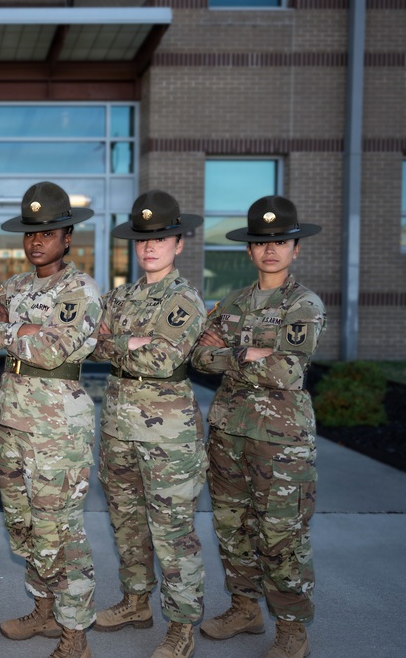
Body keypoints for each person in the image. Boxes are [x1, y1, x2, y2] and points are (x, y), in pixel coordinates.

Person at [191, 196, 324, 658]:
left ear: (296, 248)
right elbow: (199, 355)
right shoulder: (233, 301)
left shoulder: (303, 303)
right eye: (261, 242)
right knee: (232, 527)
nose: (271, 249)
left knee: (282, 534)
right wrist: (250, 355)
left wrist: (231, 355)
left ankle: (292, 627)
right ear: (249, 250)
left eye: (281, 241)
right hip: (229, 432)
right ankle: (245, 608)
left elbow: (288, 369)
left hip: (281, 442)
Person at [0, 182, 102, 658]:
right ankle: (45, 611)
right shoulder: (16, 286)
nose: (36, 241)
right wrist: (18, 329)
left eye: (47, 232)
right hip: (11, 423)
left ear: (67, 236)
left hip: (56, 430)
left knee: (61, 532)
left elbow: (51, 349)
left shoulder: (79, 290)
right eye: (30, 233)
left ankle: (75, 635)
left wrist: (13, 330)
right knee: (24, 526)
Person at [90, 190, 207, 658]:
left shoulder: (185, 300)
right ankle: (137, 602)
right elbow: (89, 343)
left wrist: (117, 342)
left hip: (168, 435)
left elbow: (161, 358)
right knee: (127, 524)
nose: (150, 246)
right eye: (142, 239)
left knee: (173, 530)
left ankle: (182, 627)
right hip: (118, 424)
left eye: (160, 237)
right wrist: (128, 341)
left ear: (179, 242)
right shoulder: (120, 296)